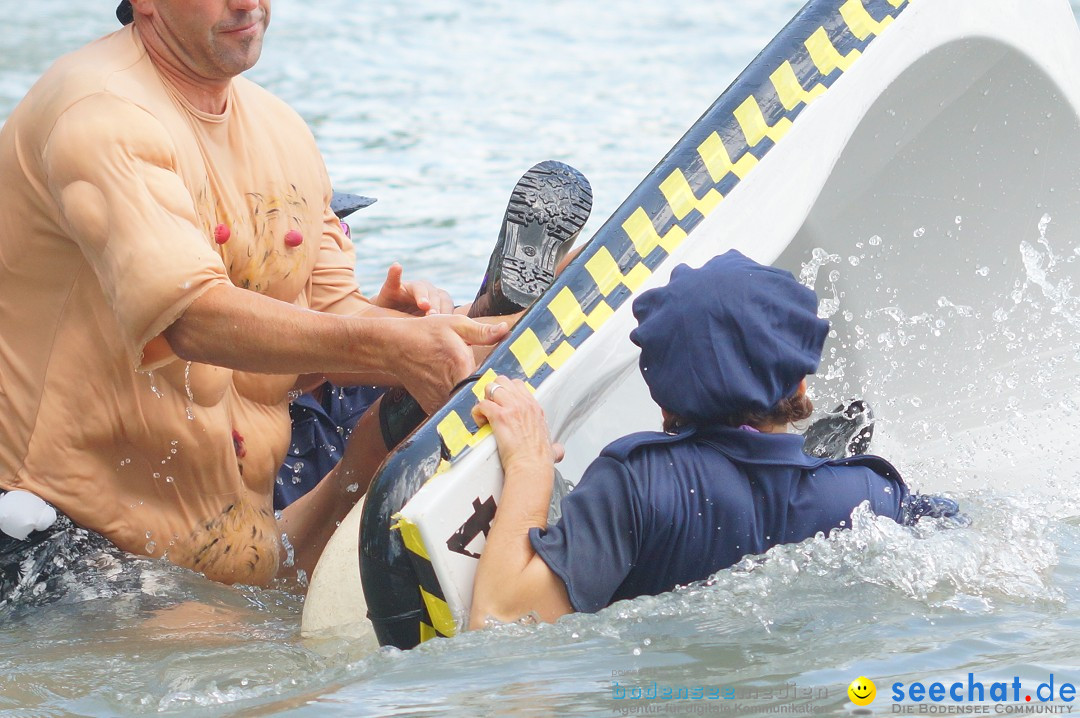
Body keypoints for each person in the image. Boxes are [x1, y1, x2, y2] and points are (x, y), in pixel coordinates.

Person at [0, 0, 591, 601]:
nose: (247, 4)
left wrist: (427, 333)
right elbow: (191, 316)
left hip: (240, 558)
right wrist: (390, 343)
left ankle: (486, 327)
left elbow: (333, 321)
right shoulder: (97, 113)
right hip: (58, 547)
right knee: (266, 670)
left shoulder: (284, 133)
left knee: (376, 452)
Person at [469, 250, 957, 626]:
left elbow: (500, 625)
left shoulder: (635, 485)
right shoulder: (874, 494)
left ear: (663, 398)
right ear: (801, 385)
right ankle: (811, 460)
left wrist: (531, 465)